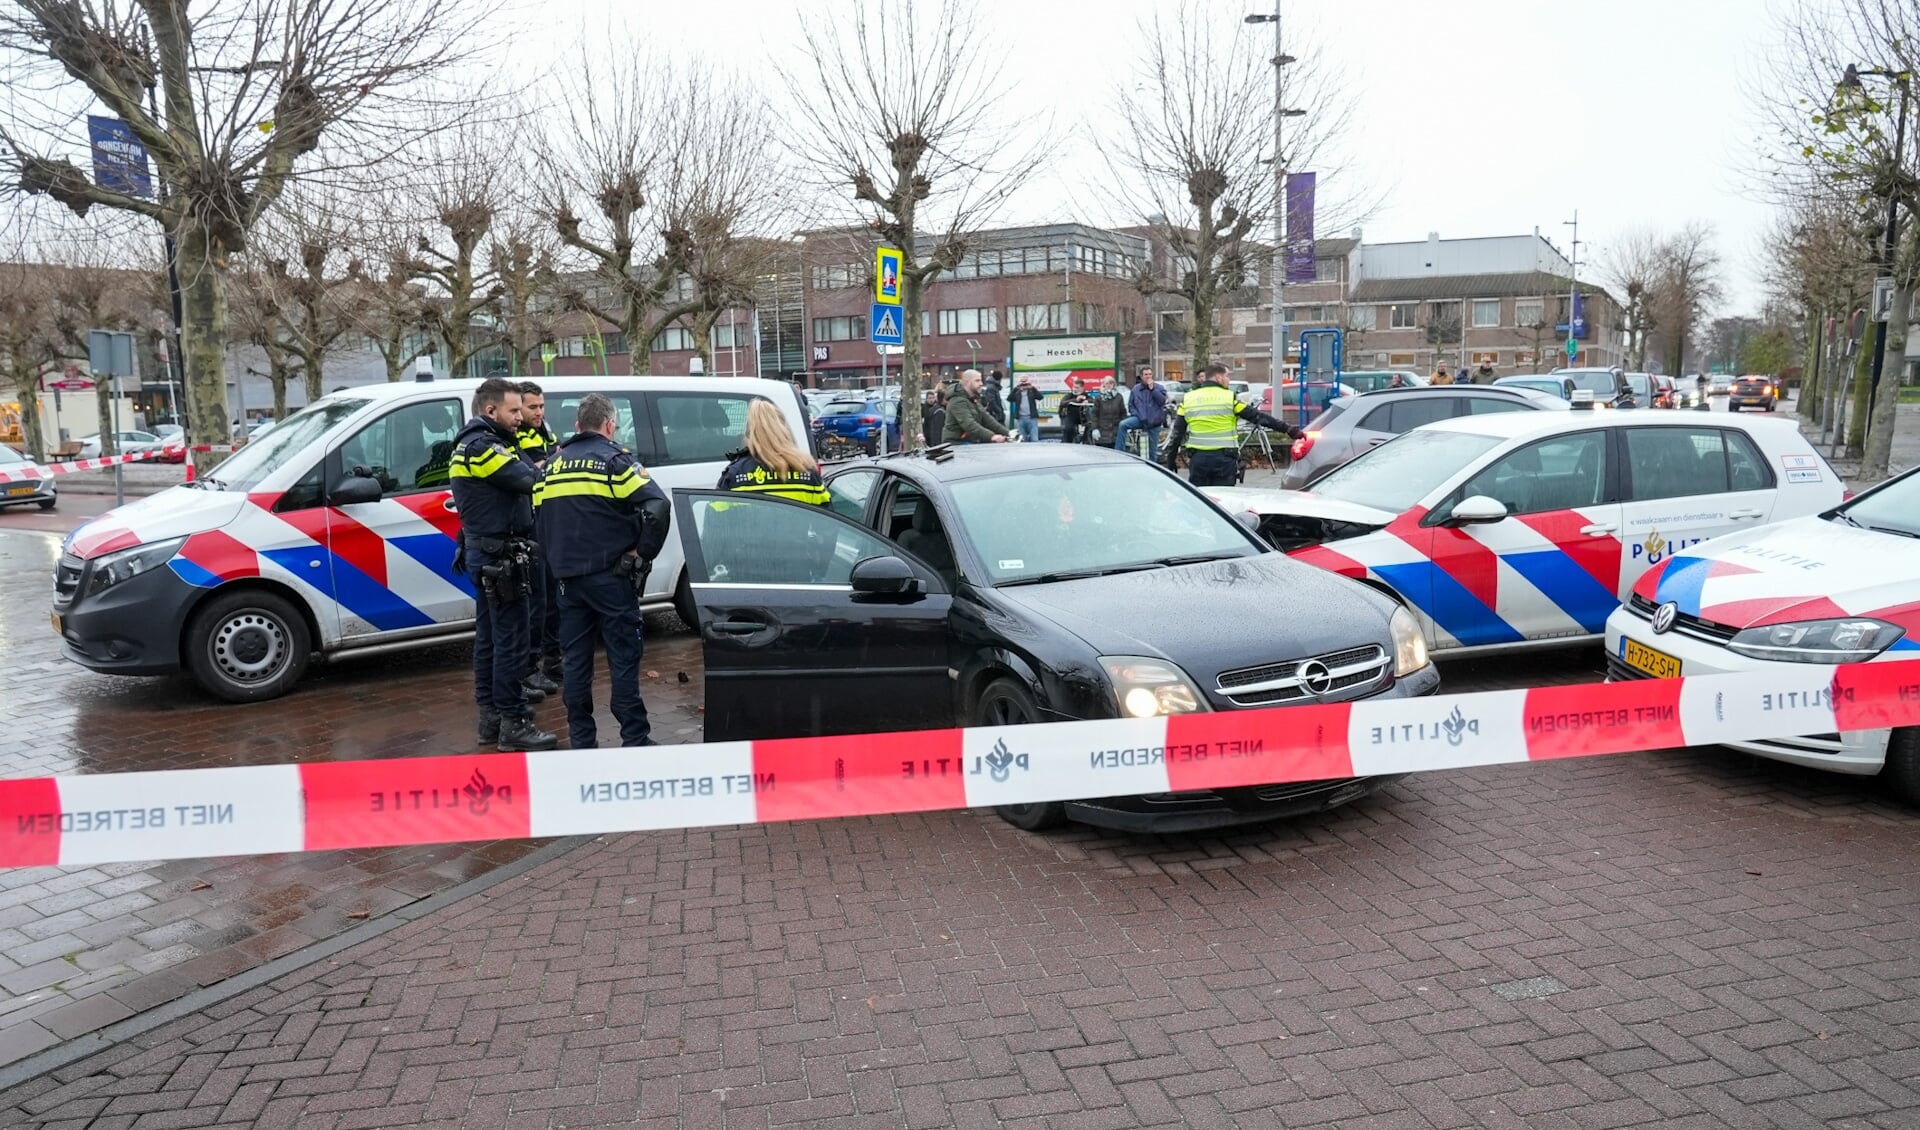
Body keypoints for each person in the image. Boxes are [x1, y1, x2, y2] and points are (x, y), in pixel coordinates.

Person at [536, 393, 672, 750]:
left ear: (578, 426)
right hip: (611, 577)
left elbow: (538, 520)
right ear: (610, 425)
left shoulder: (549, 467)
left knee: (575, 662)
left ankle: (582, 741)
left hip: (567, 581)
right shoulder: (615, 461)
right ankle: (634, 739)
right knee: (623, 657)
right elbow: (657, 505)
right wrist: (641, 553)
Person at [451, 377, 557, 751]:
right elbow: (533, 479)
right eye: (514, 410)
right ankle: (514, 722)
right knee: (510, 641)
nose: (520, 417)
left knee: (491, 640)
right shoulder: (484, 448)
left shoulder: (478, 443)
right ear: (490, 410)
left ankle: (491, 717)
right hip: (501, 557)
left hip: (489, 554)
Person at [1162, 361, 1299, 487]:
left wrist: (1171, 459)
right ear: (1218, 378)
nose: (1229, 380)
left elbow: (1177, 433)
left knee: (1201, 503)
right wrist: (1288, 429)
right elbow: (1258, 417)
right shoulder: (1228, 398)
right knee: (1224, 501)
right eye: (1227, 376)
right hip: (1224, 461)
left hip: (1199, 461)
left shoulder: (1189, 398)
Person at [516, 381, 562, 694]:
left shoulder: (544, 430)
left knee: (551, 599)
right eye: (533, 407)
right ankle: (531, 667)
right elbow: (536, 471)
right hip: (529, 524)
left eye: (542, 406)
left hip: (548, 520)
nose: (539, 412)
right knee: (536, 602)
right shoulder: (516, 436)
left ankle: (554, 660)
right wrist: (546, 463)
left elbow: (554, 462)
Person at [718, 399, 833, 505]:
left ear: (749, 433)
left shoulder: (734, 475)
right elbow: (826, 522)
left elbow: (714, 522)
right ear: (783, 429)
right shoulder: (807, 471)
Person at [944, 368, 1012, 443]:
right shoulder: (957, 401)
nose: (981, 383)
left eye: (981, 380)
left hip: (969, 442)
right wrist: (992, 436)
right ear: (967, 382)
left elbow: (988, 420)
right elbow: (969, 424)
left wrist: (1009, 433)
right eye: (977, 381)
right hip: (957, 443)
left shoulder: (973, 399)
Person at [1115, 366, 1169, 459]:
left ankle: (1153, 468)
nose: (1148, 376)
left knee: (1152, 451)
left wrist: (1153, 390)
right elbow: (1131, 405)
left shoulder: (1159, 388)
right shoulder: (1136, 389)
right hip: (1140, 419)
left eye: (1150, 374)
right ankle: (1119, 453)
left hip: (1154, 422)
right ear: (1141, 376)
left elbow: (1162, 401)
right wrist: (1137, 415)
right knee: (1123, 424)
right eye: (1146, 374)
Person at [1006, 374, 1044, 442]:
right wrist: (1016, 388)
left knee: (1034, 439)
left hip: (1031, 418)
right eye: (1022, 383)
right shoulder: (1017, 392)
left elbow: (1040, 397)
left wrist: (1033, 388)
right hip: (1021, 419)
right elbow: (1009, 399)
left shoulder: (1031, 391)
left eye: (1025, 383)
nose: (1024, 385)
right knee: (1022, 439)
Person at [1090, 376, 1125, 446]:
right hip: (1102, 432)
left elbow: (1123, 413)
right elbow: (1094, 414)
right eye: (1107, 383)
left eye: (1111, 383)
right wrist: (1094, 428)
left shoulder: (1119, 397)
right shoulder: (1099, 398)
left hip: (1116, 431)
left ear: (1114, 385)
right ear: (1103, 385)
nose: (1109, 385)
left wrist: (1124, 426)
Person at [1058, 377, 1092, 444]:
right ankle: (1067, 443)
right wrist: (1075, 400)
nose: (1075, 389)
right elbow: (1062, 403)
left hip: (1082, 417)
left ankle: (1086, 441)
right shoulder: (1069, 395)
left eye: (1077, 388)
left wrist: (1087, 401)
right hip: (1070, 416)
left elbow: (1092, 400)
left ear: (1082, 388)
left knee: (1090, 426)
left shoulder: (1085, 395)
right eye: (1074, 387)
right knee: (1068, 428)